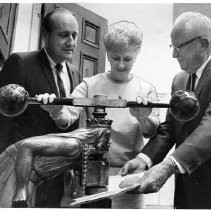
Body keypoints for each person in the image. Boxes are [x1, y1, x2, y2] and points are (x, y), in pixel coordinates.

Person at [41, 20, 159, 208]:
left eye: (127, 58)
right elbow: (67, 118)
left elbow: (151, 132)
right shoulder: (89, 85)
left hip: (127, 177)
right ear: (107, 54)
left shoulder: (146, 89)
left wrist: (143, 117)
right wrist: (55, 111)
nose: (120, 64)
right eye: (115, 57)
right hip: (89, 175)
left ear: (137, 54)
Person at [119, 12, 211, 209]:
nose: (174, 54)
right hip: (186, 190)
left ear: (203, 44)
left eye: (179, 47)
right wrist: (144, 159)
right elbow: (170, 127)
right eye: (173, 47)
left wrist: (170, 165)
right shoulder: (179, 80)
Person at [0, 8, 79, 207]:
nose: (71, 42)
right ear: (45, 36)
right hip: (21, 174)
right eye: (63, 35)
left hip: (58, 175)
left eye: (74, 35)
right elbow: (3, 118)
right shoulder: (21, 62)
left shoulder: (75, 72)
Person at [0, 126, 110, 208]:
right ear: (96, 137)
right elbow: (26, 146)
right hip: (16, 170)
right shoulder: (74, 145)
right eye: (106, 140)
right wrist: (21, 190)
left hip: (28, 178)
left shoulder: (78, 152)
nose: (109, 144)